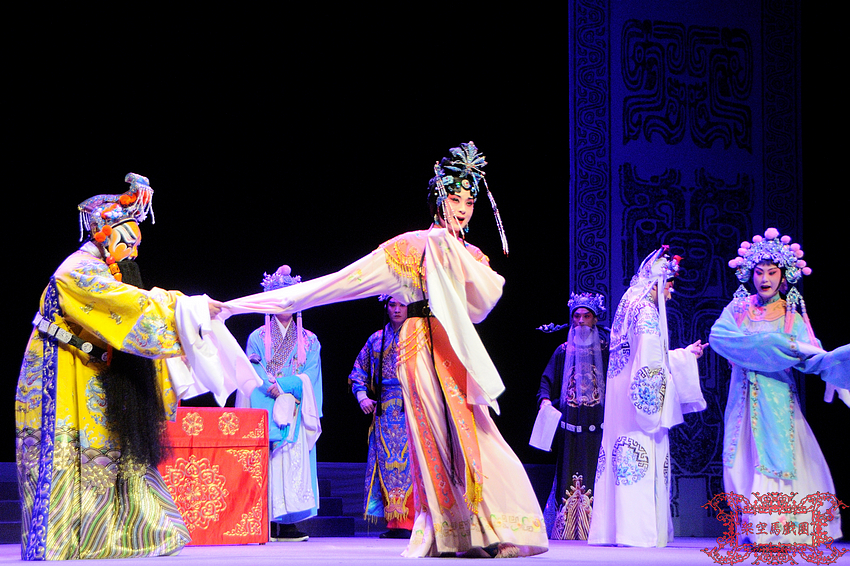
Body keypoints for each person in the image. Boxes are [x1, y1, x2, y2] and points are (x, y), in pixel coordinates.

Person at [224, 142, 548, 558]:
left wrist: (458, 263)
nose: (463, 209)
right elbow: (336, 284)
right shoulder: (408, 248)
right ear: (438, 199)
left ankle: (493, 529)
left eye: (470, 202)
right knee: (434, 443)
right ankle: (453, 534)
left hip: (457, 349)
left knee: (479, 436)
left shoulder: (471, 254)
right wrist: (234, 307)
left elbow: (481, 306)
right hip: (419, 348)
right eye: (454, 199)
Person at [15, 174, 256, 560]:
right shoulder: (77, 270)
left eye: (136, 244)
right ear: (103, 235)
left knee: (109, 448)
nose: (133, 251)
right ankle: (60, 540)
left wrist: (189, 307)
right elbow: (129, 304)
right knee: (70, 449)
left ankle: (118, 536)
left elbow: (133, 300)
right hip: (58, 371)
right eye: (127, 241)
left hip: (90, 367)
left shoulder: (101, 268)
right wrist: (188, 307)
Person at [710, 228, 849, 545]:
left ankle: (776, 528)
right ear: (750, 275)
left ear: (783, 277)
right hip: (742, 399)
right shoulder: (738, 310)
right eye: (759, 272)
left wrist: (837, 360)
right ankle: (752, 527)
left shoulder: (791, 316)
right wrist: (771, 345)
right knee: (741, 458)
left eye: (772, 272)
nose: (764, 279)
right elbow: (719, 338)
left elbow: (809, 357)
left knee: (776, 458)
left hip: (777, 401)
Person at [587, 246, 708, 548]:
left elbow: (638, 356)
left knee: (621, 457)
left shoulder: (629, 304)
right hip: (638, 408)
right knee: (640, 456)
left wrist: (683, 355)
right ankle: (638, 532)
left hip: (620, 401)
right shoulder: (647, 311)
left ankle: (615, 530)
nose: (671, 292)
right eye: (669, 285)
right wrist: (651, 404)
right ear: (657, 283)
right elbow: (649, 363)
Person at [238, 265, 323, 542]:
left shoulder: (309, 339)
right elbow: (253, 372)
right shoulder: (257, 338)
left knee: (294, 462)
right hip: (267, 405)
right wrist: (270, 388)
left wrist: (283, 386)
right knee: (271, 460)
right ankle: (265, 520)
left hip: (295, 405)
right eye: (279, 297)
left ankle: (288, 524)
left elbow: (311, 373)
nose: (285, 303)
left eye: (290, 297)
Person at [535, 292, 609, 540]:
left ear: (595, 319)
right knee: (567, 473)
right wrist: (545, 400)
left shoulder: (606, 349)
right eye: (576, 316)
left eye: (586, 316)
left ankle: (596, 527)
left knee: (596, 474)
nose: (580, 321)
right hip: (570, 428)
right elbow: (547, 381)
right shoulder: (564, 350)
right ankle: (566, 528)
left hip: (598, 426)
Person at [348, 295, 414, 539]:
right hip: (384, 410)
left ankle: (414, 522)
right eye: (392, 304)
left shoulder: (418, 336)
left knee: (411, 464)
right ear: (386, 307)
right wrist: (362, 396)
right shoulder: (376, 339)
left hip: (412, 409)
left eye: (402, 305)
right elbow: (358, 371)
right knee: (386, 464)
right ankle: (394, 524)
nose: (397, 310)